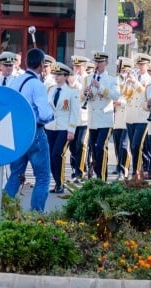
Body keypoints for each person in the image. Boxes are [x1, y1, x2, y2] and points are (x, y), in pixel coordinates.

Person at [5, 48, 54, 212]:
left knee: (16, 175)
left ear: (26, 63)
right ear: (41, 65)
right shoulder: (37, 85)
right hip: (35, 133)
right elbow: (45, 114)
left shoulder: (16, 81)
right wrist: (51, 113)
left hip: (17, 132)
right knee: (42, 177)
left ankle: (2, 210)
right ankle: (35, 216)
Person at [83, 51, 120, 181]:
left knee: (100, 147)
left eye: (100, 62)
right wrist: (85, 93)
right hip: (93, 119)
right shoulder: (88, 78)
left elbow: (115, 95)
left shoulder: (111, 79)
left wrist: (100, 86)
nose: (98, 64)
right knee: (94, 149)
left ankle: (102, 177)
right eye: (96, 62)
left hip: (105, 118)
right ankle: (97, 174)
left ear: (106, 63)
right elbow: (82, 98)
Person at [46, 63, 79, 193]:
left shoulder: (72, 91)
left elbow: (74, 112)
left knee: (57, 154)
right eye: (55, 74)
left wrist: (71, 129)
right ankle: (56, 182)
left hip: (64, 127)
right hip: (50, 126)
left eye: (59, 74)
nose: (56, 77)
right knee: (50, 155)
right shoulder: (51, 89)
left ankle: (60, 183)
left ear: (65, 76)